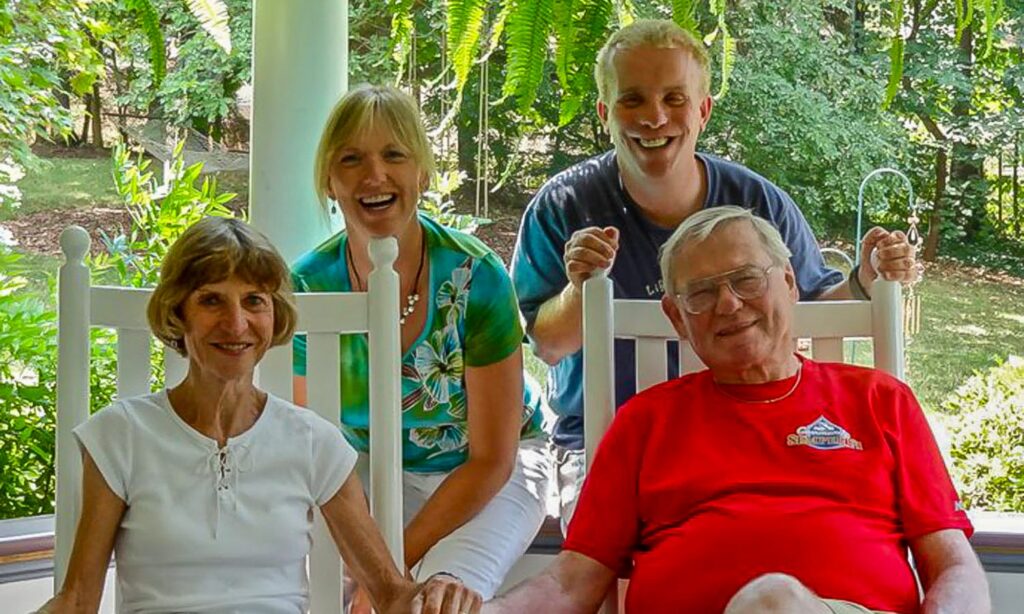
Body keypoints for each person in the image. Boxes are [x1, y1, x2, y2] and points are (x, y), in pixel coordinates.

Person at [510, 18, 919, 529]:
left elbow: (811, 314)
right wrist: (580, 288)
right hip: (603, 441)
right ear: (605, 113)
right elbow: (546, 345)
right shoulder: (562, 207)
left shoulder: (759, 202)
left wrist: (865, 281)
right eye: (632, 100)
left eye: (674, 99)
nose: (654, 117)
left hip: (749, 429)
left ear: (703, 110)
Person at [488, 206, 988, 614]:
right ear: (677, 318)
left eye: (747, 280)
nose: (727, 304)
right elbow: (571, 582)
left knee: (773, 604)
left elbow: (953, 566)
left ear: (789, 283)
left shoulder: (879, 401)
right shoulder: (646, 421)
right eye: (701, 294)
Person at [39, 217, 480, 614]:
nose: (236, 324)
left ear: (275, 315)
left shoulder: (315, 443)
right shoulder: (120, 435)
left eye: (254, 301)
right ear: (177, 313)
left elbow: (392, 594)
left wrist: (437, 592)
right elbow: (77, 600)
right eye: (211, 301)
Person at [291, 84, 550, 607]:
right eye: (351, 159)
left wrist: (386, 575)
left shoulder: (476, 276)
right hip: (365, 473)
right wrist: (369, 570)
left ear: (423, 174)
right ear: (329, 181)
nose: (375, 175)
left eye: (394, 155)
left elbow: (492, 458)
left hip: (491, 474)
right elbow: (313, 449)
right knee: (306, 589)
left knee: (435, 602)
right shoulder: (307, 288)